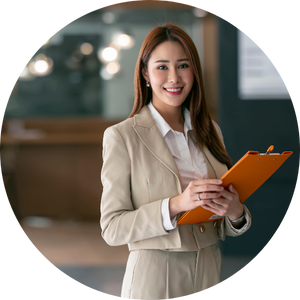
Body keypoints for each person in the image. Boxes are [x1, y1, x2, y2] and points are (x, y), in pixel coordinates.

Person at [100, 22, 251, 300]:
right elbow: (112, 228)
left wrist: (235, 212)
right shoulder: (122, 137)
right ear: (145, 73)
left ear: (194, 71)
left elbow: (225, 222)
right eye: (162, 67)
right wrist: (177, 204)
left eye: (183, 65)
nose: (174, 78)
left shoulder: (210, 131)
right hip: (155, 278)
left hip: (209, 272)